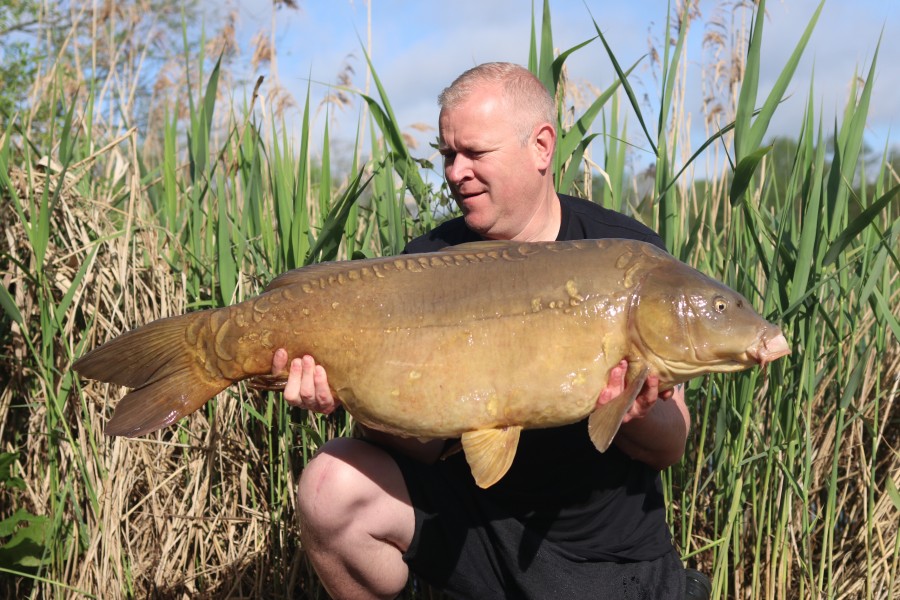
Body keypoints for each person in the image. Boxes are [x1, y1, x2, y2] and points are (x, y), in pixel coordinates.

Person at [271, 62, 691, 600]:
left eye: (475, 153)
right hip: (469, 529)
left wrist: (635, 411)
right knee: (331, 487)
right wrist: (355, 395)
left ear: (542, 147)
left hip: (605, 553)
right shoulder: (427, 263)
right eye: (448, 154)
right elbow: (421, 450)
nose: (454, 172)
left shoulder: (625, 258)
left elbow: (670, 445)